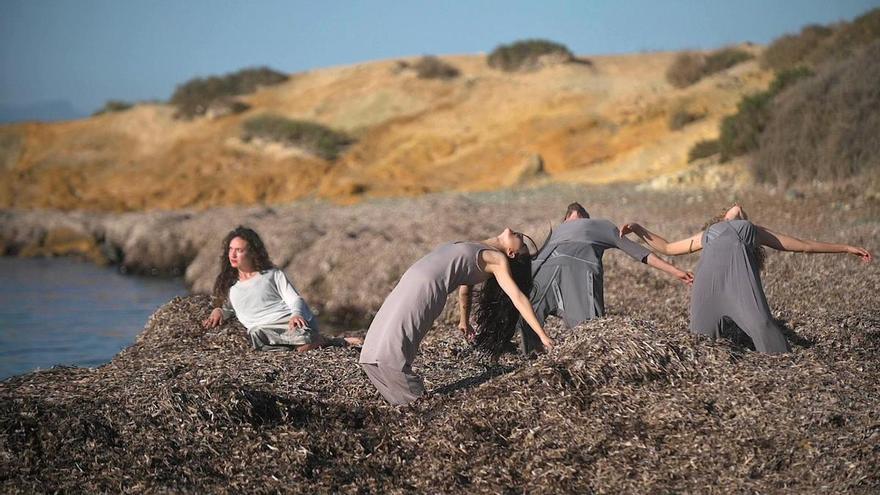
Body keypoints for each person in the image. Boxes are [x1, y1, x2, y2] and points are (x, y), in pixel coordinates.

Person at [620, 204, 872, 353]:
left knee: (763, 326)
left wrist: (844, 247)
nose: (737, 204)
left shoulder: (754, 231)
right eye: (733, 205)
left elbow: (804, 245)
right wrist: (638, 229)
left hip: (740, 284)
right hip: (706, 287)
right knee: (700, 341)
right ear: (721, 218)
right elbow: (669, 247)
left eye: (742, 208)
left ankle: (782, 370)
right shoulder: (709, 234)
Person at [359, 228, 554, 406]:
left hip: (428, 286)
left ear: (511, 253)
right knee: (371, 353)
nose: (521, 235)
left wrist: (543, 336)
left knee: (393, 352)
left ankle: (417, 402)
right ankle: (399, 400)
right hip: (411, 278)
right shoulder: (480, 246)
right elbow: (465, 290)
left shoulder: (498, 260)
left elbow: (517, 297)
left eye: (523, 245)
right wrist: (464, 320)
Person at [517, 202, 694, 354]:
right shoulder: (601, 225)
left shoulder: (557, 231)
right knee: (590, 338)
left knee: (526, 325)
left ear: (566, 218)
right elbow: (639, 253)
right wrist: (675, 271)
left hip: (542, 268)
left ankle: (529, 360)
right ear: (585, 216)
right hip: (577, 271)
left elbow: (527, 261)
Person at [203, 226, 362, 351]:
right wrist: (219, 310)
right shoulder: (232, 286)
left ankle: (330, 341)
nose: (233, 255)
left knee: (303, 345)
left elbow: (294, 299)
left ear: (252, 253)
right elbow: (232, 308)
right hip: (262, 332)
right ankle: (314, 341)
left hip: (287, 323)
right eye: (231, 249)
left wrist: (296, 315)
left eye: (239, 250)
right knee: (256, 335)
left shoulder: (271, 275)